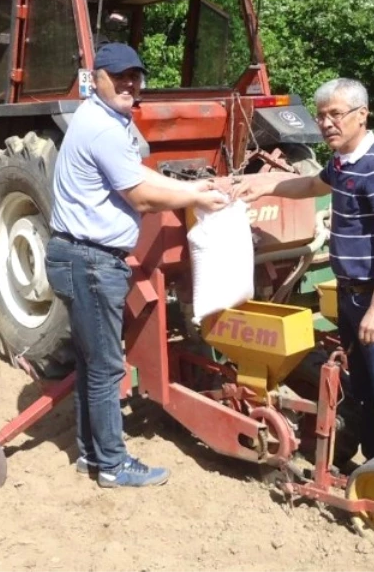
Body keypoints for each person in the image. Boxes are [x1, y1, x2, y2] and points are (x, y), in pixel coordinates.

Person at [225, 77, 374, 514]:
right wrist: (265, 185)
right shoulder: (345, 161)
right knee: (366, 395)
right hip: (353, 298)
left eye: (336, 115)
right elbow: (312, 187)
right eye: (322, 115)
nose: (327, 123)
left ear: (361, 116)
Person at [45, 42, 229, 489]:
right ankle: (112, 464)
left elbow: (141, 175)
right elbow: (142, 196)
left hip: (78, 257)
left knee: (93, 363)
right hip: (91, 261)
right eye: (119, 75)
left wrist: (193, 186)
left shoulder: (105, 119)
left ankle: (91, 454)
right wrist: (198, 197)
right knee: (107, 366)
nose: (129, 83)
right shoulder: (104, 127)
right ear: (98, 77)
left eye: (135, 76)